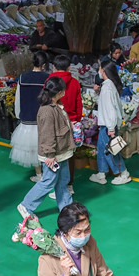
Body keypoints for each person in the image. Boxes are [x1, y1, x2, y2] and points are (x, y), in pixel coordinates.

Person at [17, 76, 77, 218]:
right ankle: (26, 205)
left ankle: (66, 207)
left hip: (61, 152)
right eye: (63, 91)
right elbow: (47, 134)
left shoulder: (55, 105)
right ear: (58, 92)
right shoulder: (47, 111)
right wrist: (50, 155)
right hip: (53, 154)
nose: (65, 93)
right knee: (48, 182)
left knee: (62, 181)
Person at [89, 62, 131, 186]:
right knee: (102, 148)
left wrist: (111, 128)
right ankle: (102, 173)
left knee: (110, 150)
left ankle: (123, 173)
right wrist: (97, 93)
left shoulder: (107, 87)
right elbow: (104, 104)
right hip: (107, 124)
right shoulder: (109, 85)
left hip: (107, 125)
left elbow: (110, 109)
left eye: (100, 69)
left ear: (104, 71)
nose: (99, 71)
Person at [11, 51, 49, 180]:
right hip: (43, 120)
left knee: (33, 150)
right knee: (46, 149)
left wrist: (19, 115)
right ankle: (49, 176)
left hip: (27, 119)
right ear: (44, 65)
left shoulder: (23, 77)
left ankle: (39, 175)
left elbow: (18, 99)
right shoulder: (47, 78)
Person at [49, 55, 82, 191]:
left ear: (54, 67)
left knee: (55, 154)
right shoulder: (74, 82)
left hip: (55, 122)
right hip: (72, 122)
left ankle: (55, 186)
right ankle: (69, 185)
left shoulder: (49, 81)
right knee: (69, 155)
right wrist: (77, 120)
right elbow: (79, 104)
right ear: (69, 67)